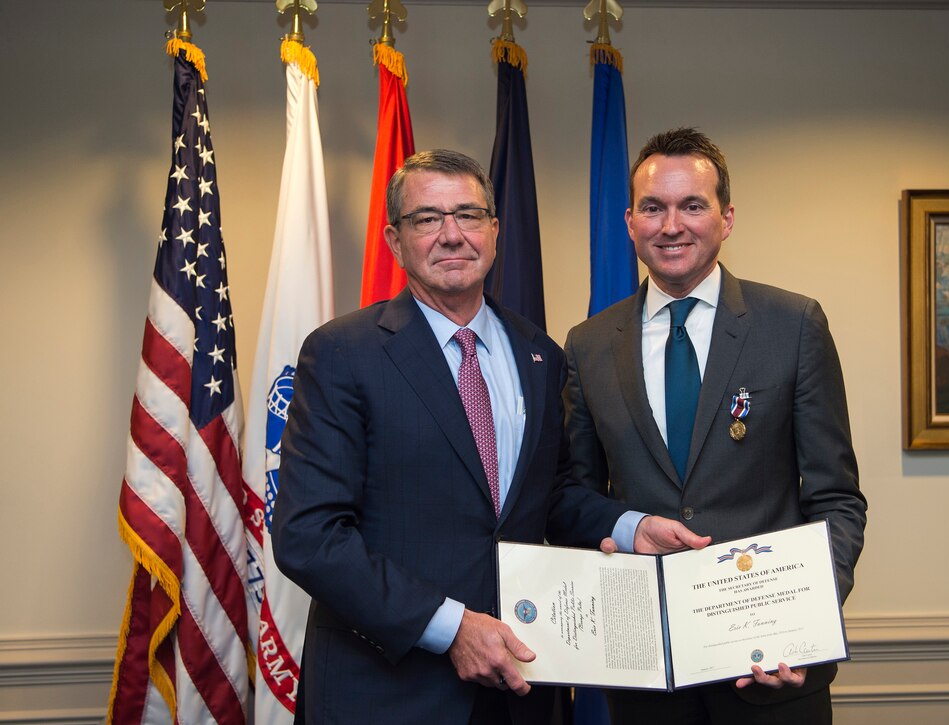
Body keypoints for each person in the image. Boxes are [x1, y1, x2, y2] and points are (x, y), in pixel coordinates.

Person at [271, 149, 708, 724]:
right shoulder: (342, 354)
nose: (452, 235)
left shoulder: (541, 356)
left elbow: (550, 498)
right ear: (394, 240)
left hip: (523, 691)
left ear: (495, 232)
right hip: (386, 695)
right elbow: (309, 535)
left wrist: (633, 528)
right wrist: (450, 628)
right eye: (427, 219)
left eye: (469, 215)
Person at [562, 128, 867, 724]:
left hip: (770, 677)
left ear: (726, 219)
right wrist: (633, 526)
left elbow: (836, 497)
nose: (671, 225)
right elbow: (571, 496)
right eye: (653, 207)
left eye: (691, 206)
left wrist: (802, 623)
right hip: (646, 679)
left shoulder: (793, 325)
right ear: (630, 222)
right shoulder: (589, 343)